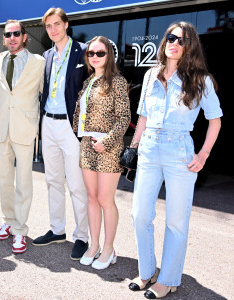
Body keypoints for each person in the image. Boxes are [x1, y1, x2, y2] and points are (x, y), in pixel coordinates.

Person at [129, 22, 222, 299]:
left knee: (176, 221)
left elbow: (215, 121)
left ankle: (168, 279)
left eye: (181, 40)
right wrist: (133, 147)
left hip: (180, 150)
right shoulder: (150, 75)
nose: (174, 43)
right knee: (140, 214)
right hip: (149, 148)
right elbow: (143, 116)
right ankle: (147, 271)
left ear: (190, 46)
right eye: (171, 38)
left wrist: (203, 153)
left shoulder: (200, 80)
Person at [32, 7, 89, 261]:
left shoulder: (84, 51)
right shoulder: (46, 55)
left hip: (70, 126)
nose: (53, 29)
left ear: (66, 24)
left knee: (76, 184)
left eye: (57, 24)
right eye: (48, 26)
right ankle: (57, 229)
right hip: (49, 124)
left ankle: (82, 236)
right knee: (53, 180)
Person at [73, 36, 130, 269]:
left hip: (109, 147)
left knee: (106, 199)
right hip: (87, 146)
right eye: (91, 53)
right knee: (92, 198)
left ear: (110, 56)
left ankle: (109, 249)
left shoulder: (117, 82)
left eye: (100, 53)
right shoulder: (87, 83)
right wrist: (82, 135)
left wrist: (106, 141)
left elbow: (125, 118)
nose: (95, 57)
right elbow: (79, 113)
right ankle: (94, 245)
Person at [0, 20, 45, 254]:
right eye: (7, 34)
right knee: (4, 179)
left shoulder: (39, 63)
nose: (11, 37)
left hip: (25, 128)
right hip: (1, 127)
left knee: (24, 181)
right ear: (3, 38)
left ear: (25, 36)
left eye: (16, 33)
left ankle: (20, 230)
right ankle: (8, 219)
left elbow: (46, 94)